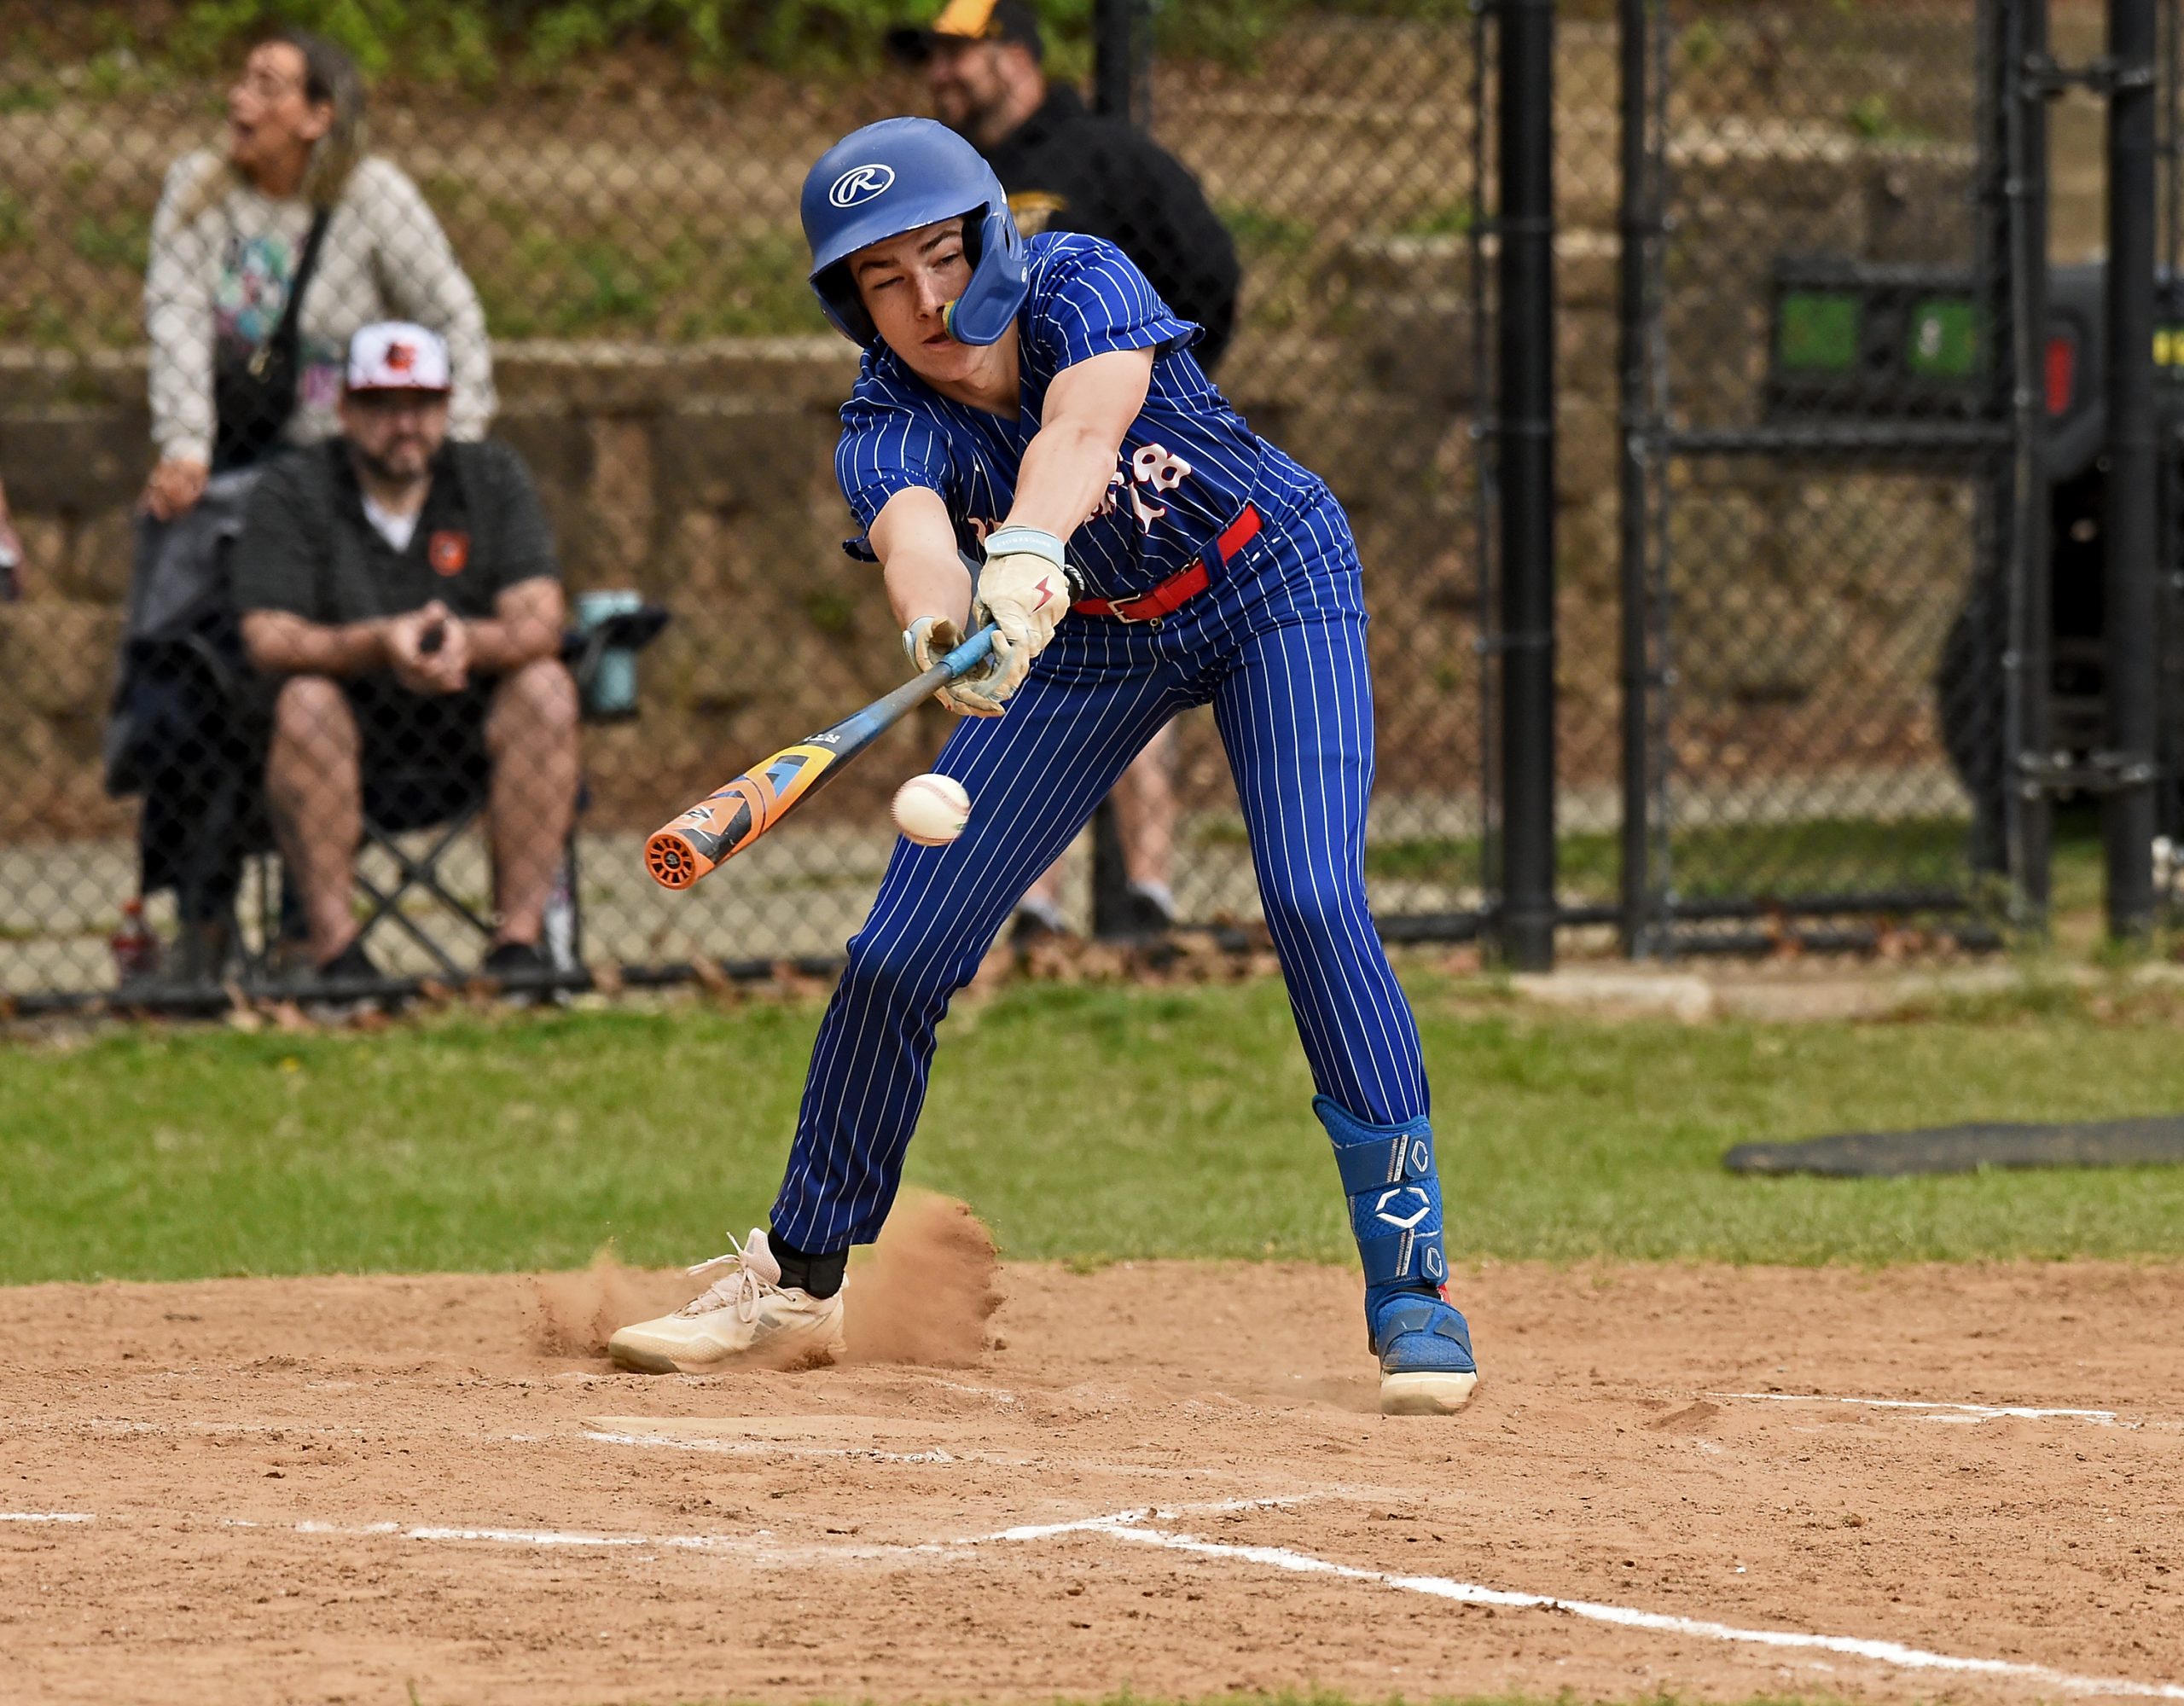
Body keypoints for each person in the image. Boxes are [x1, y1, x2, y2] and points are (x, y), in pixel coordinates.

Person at [608, 120, 1478, 1416]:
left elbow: (1083, 425)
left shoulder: (1085, 279)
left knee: (1308, 898)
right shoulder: (882, 420)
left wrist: (1024, 543)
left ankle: (1413, 1288)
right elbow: (912, 537)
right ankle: (800, 1279)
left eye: (940, 256)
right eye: (881, 281)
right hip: (1085, 651)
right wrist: (947, 628)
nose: (923, 303)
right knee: (896, 955)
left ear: (991, 236)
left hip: (1266, 578)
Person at [891, 0, 1245, 940]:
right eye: (931, 59)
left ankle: (1145, 892)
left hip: (1119, 463)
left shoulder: (1109, 161)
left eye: (958, 56)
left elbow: (1210, 271)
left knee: (1139, 649)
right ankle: (1035, 902)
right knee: (1013, 648)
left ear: (1014, 56)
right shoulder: (950, 190)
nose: (941, 76)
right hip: (998, 466)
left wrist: (1151, 393)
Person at [228, 323, 576, 984]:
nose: (404, 423)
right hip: (342, 733)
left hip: (468, 726)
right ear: (346, 410)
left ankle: (519, 952)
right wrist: (378, 643)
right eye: (383, 405)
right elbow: (267, 635)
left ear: (447, 407)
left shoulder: (491, 476)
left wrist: (467, 643)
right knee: (303, 701)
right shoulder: (294, 488)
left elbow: (541, 620)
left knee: (547, 687)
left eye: (421, 404)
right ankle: (338, 959)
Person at [142, 28, 494, 519]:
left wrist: (457, 441)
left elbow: (453, 315)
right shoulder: (197, 191)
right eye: (242, 81)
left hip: (345, 457)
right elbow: (176, 319)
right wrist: (185, 449)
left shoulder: (373, 197)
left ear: (316, 117)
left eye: (266, 86)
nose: (238, 97)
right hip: (235, 444)